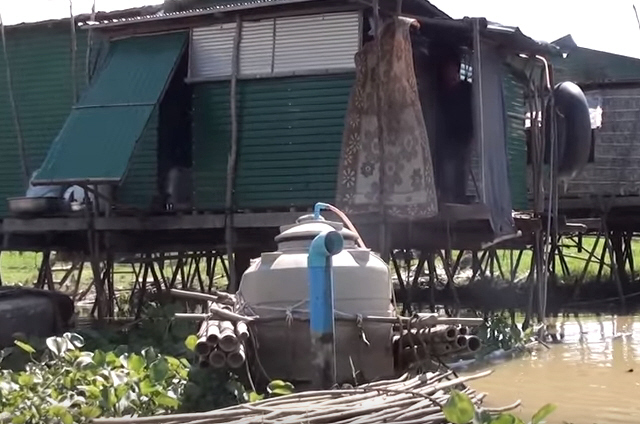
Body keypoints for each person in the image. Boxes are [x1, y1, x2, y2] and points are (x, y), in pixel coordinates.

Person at [433, 47, 474, 204]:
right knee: (447, 168)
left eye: (452, 70)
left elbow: (473, 111)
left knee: (462, 168)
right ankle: (447, 198)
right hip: (447, 137)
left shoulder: (466, 89)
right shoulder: (440, 92)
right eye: (447, 70)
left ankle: (459, 198)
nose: (450, 73)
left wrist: (472, 134)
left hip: (464, 135)